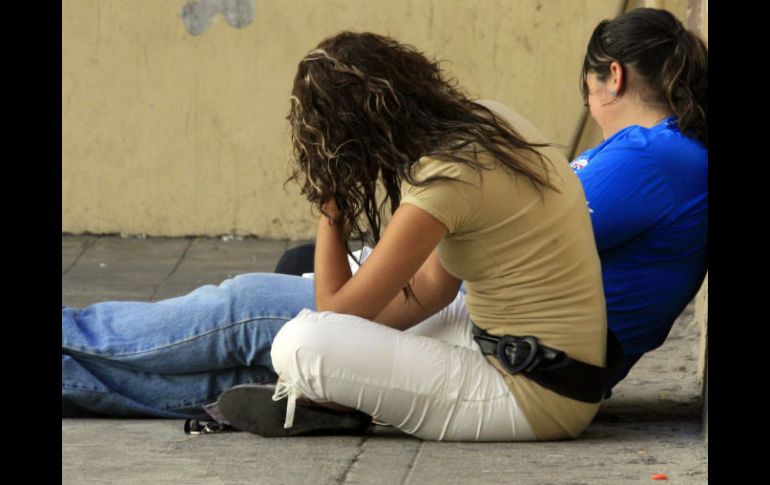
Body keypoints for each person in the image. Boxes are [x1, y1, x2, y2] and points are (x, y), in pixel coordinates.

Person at [63, 8, 707, 440]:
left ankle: (324, 393)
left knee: (287, 335)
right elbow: (431, 285)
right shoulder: (484, 122)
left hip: (532, 382)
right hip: (514, 343)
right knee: (267, 346)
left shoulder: (650, 157)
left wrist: (332, 204)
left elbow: (334, 315)